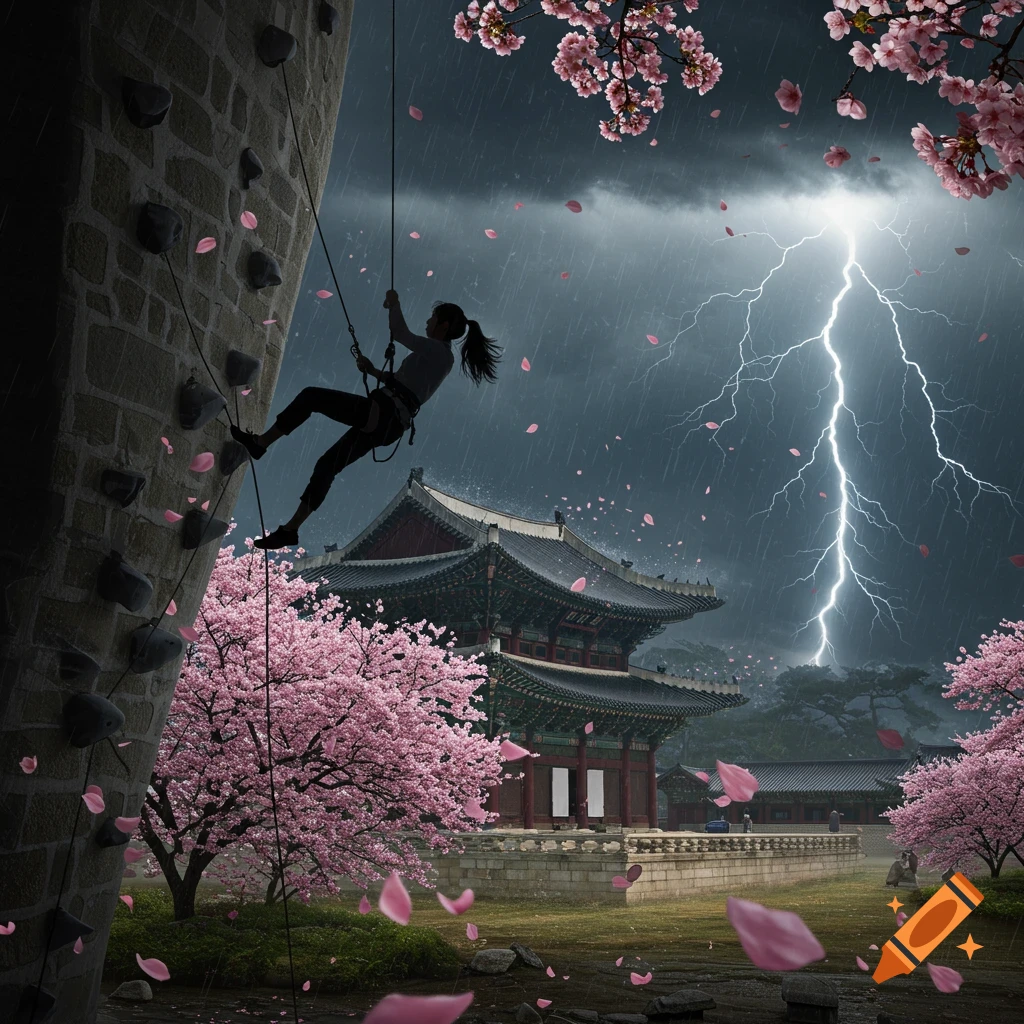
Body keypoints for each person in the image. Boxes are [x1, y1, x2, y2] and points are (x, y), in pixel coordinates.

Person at [232, 291, 502, 550]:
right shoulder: (438, 356)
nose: (427, 321)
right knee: (328, 464)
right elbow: (402, 384)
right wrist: (372, 370)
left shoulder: (440, 352)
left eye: (432, 318)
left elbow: (400, 334)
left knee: (311, 397)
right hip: (387, 422)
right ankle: (291, 528)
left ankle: (262, 443)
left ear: (443, 325)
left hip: (384, 413)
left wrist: (394, 304)